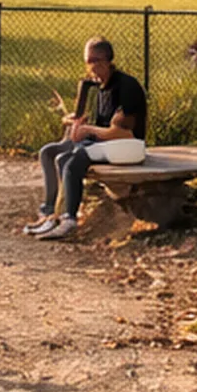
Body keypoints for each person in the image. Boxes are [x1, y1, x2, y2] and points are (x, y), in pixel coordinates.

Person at [27, 37, 147, 242]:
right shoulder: (101, 87)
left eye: (92, 61)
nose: (89, 67)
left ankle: (68, 219)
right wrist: (77, 125)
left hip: (128, 147)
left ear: (105, 61)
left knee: (75, 158)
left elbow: (124, 133)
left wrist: (88, 130)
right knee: (59, 156)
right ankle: (54, 214)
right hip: (110, 144)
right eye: (87, 61)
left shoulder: (126, 86)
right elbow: (100, 127)